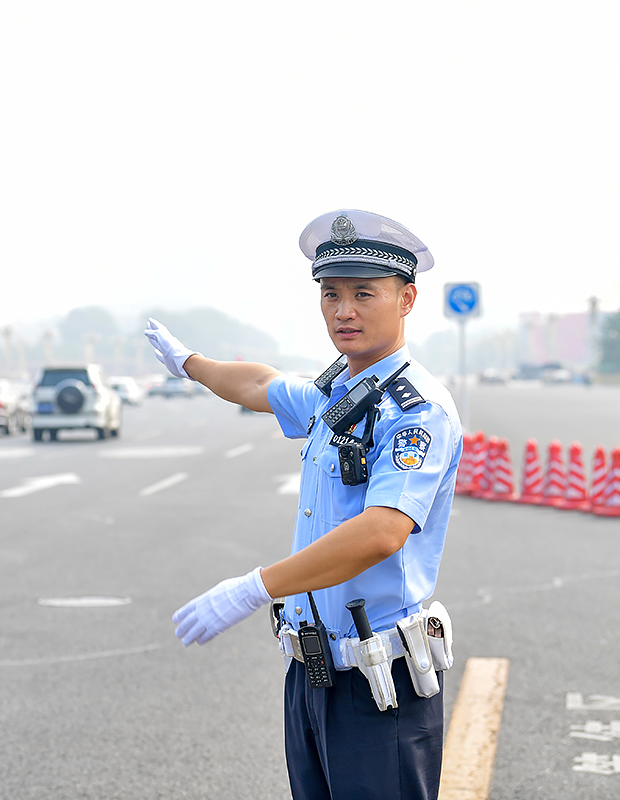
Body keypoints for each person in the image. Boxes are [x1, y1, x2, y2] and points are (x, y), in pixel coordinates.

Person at [145, 209, 462, 800]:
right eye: (331, 294)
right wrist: (190, 365)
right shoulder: (337, 391)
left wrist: (254, 588)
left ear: (407, 299)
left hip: (380, 682)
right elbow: (257, 384)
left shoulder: (417, 412)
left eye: (364, 293)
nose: (344, 311)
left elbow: (382, 533)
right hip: (312, 676)